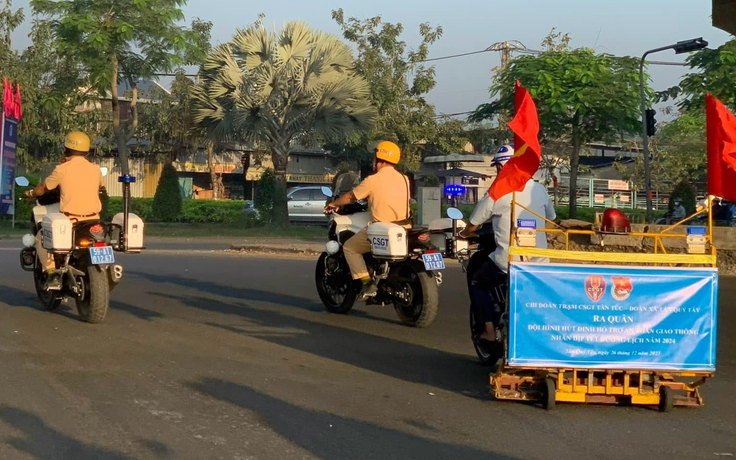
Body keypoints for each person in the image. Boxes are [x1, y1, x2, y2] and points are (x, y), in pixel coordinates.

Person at [458, 144, 556, 347]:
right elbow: (550, 217)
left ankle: (489, 332)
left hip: (508, 261)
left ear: (502, 168)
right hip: (539, 262)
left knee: (478, 283)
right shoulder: (539, 189)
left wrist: (466, 233)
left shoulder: (497, 191)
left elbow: (474, 222)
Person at [323, 140, 411, 299]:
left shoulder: (373, 180)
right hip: (405, 227)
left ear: (380, 160)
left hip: (382, 229)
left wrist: (333, 204)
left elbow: (351, 196)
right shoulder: (404, 179)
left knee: (350, 247)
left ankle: (367, 282)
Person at [24, 131, 105, 290]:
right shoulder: (95, 169)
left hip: (71, 220)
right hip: (94, 220)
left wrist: (31, 193)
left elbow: (42, 189)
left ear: (67, 150)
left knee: (41, 236)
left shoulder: (62, 169)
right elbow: (101, 186)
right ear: (87, 150)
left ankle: (52, 273)